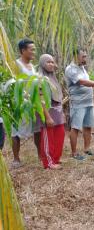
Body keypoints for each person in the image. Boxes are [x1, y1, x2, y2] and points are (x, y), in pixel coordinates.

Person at [65, 49, 94, 160]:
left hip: (88, 102)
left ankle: (86, 149)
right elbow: (82, 82)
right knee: (75, 127)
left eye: (85, 56)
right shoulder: (70, 69)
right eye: (83, 56)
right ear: (76, 56)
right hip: (78, 103)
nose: (85, 58)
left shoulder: (82, 68)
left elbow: (85, 83)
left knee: (88, 126)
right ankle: (74, 153)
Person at [12, 38, 41, 168]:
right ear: (23, 50)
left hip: (33, 103)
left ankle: (41, 155)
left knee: (37, 130)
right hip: (20, 103)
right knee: (16, 132)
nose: (34, 52)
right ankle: (16, 159)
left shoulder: (32, 66)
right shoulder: (16, 65)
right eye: (31, 49)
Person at [38, 54, 65, 169]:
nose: (51, 64)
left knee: (60, 135)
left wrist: (54, 65)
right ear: (42, 64)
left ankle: (56, 158)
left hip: (57, 112)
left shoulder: (52, 77)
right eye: (48, 62)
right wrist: (47, 117)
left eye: (52, 62)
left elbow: (57, 97)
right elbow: (40, 99)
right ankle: (49, 163)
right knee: (48, 137)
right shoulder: (40, 78)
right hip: (48, 113)